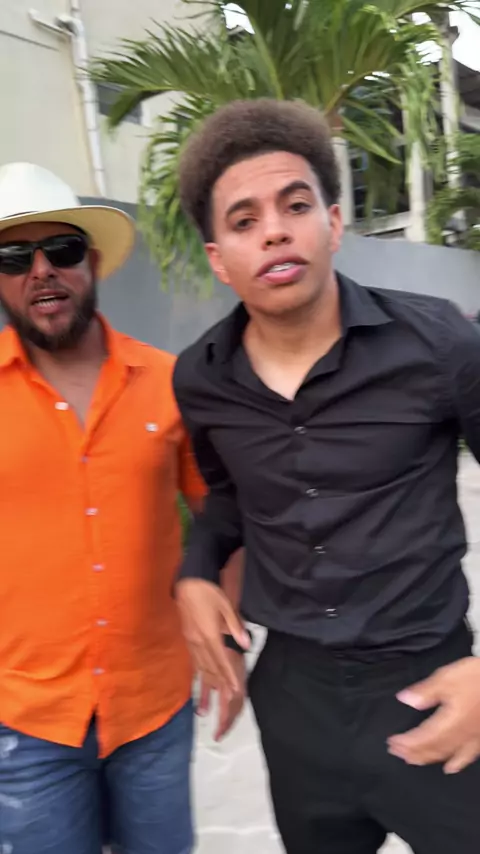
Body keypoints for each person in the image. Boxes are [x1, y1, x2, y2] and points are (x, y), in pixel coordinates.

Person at [173, 99, 480, 854]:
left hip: (435, 684)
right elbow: (230, 501)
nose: (274, 231)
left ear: (333, 224)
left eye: (296, 205)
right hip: (294, 700)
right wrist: (195, 573)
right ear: (218, 257)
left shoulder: (438, 344)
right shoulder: (202, 380)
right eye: (244, 220)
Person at [0, 162, 242, 854]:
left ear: (93, 262)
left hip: (153, 709)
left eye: (62, 250)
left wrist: (227, 637)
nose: (42, 271)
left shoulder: (169, 381)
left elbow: (222, 517)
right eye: (15, 258)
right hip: (25, 720)